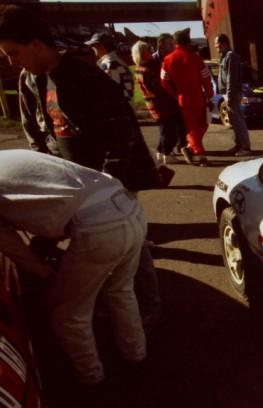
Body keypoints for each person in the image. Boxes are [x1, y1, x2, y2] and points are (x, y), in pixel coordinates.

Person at [0, 5, 164, 330]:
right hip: (68, 182)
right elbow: (35, 134)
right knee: (91, 252)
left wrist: (106, 188)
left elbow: (121, 138)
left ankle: (149, 307)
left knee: (133, 251)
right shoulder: (28, 81)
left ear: (36, 43)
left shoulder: (87, 78)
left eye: (13, 52)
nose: (10, 61)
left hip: (108, 182)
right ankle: (105, 302)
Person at [0, 150, 147, 385]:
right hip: (129, 208)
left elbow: (8, 243)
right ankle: (136, 356)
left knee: (68, 313)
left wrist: (44, 272)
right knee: (121, 291)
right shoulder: (9, 156)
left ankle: (91, 378)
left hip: (99, 228)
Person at [160, 29, 214, 166]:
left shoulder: (167, 60)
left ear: (175, 42)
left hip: (182, 99)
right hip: (199, 97)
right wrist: (209, 96)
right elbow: (206, 79)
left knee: (192, 127)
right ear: (188, 41)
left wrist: (175, 94)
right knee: (202, 125)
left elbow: (164, 81)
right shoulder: (196, 58)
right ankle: (199, 153)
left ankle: (191, 148)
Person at [132, 40, 182, 165]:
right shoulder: (148, 69)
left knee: (164, 128)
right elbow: (159, 88)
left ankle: (161, 151)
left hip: (153, 103)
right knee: (168, 129)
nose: (151, 52)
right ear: (142, 54)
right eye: (148, 50)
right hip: (161, 103)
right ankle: (166, 153)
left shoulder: (139, 68)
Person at [214, 34, 252, 156]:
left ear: (225, 44)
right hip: (228, 93)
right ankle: (238, 144)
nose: (216, 47)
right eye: (216, 44)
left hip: (233, 93)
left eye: (218, 44)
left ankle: (246, 147)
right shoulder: (224, 57)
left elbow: (231, 77)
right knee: (234, 121)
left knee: (238, 120)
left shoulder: (231, 57)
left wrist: (229, 95)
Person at [85, 32, 134, 103]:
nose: (92, 48)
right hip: (124, 108)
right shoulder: (116, 61)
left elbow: (107, 91)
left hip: (118, 110)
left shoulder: (109, 64)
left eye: (93, 46)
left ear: (100, 46)